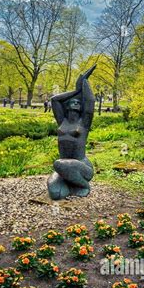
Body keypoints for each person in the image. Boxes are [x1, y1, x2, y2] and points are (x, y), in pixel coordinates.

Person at [48, 65, 96, 200]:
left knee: (59, 164)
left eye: (78, 102)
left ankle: (84, 185)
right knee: (55, 194)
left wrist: (84, 83)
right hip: (64, 167)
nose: (75, 103)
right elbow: (54, 99)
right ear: (67, 105)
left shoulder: (83, 123)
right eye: (72, 102)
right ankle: (70, 184)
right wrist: (75, 91)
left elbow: (90, 102)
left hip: (81, 166)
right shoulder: (62, 121)